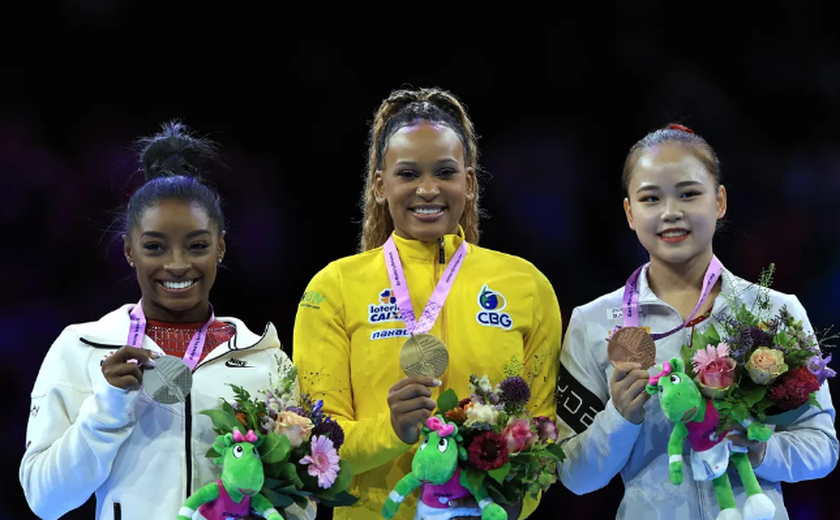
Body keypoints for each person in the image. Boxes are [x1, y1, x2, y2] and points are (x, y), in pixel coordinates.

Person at [19, 121, 315, 520]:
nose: (177, 265)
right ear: (129, 251)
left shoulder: (267, 360)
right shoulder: (82, 347)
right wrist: (106, 408)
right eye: (155, 247)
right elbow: (44, 500)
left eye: (196, 246)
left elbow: (301, 504)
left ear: (220, 248)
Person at [292, 87, 562, 520]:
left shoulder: (526, 286)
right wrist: (393, 431)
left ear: (468, 183)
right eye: (408, 174)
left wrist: (505, 502)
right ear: (381, 186)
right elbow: (315, 454)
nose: (428, 189)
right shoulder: (333, 288)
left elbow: (543, 436)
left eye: (445, 172)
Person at [555, 123, 838, 519]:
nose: (671, 213)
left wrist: (759, 450)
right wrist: (619, 419)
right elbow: (574, 475)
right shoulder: (592, 322)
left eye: (689, 194)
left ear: (719, 201)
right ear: (629, 213)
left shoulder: (775, 311)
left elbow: (823, 448)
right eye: (650, 198)